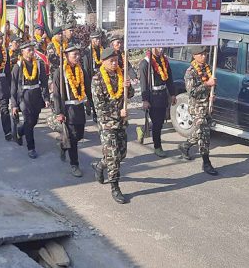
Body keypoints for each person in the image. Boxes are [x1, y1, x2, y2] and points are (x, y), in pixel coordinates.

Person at [91, 47, 134, 204]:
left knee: (121, 154)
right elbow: (100, 108)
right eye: (111, 61)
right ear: (103, 62)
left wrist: (128, 87)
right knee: (114, 157)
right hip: (107, 124)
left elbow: (130, 95)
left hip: (121, 123)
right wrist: (118, 113)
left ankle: (100, 165)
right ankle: (115, 187)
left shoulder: (120, 74)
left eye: (116, 60)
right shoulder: (97, 80)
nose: (115, 63)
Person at [177, 46, 218, 175]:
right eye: (200, 54)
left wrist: (212, 93)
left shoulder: (207, 68)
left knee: (199, 132)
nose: (203, 56)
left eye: (205, 54)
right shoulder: (190, 72)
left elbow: (211, 84)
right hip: (197, 107)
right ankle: (206, 163)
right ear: (194, 56)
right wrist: (207, 84)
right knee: (204, 135)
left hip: (207, 105)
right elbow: (192, 92)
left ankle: (185, 146)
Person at [52, 45, 88, 176]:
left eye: (78, 54)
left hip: (79, 107)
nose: (77, 57)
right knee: (73, 138)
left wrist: (91, 106)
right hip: (68, 109)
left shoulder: (81, 70)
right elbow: (56, 94)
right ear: (66, 57)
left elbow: (87, 88)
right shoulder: (59, 73)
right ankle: (74, 164)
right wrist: (59, 112)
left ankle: (63, 145)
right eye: (74, 55)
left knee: (79, 135)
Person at [11, 41, 50, 159]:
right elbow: (13, 86)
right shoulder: (17, 66)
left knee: (34, 121)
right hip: (24, 97)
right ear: (22, 52)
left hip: (36, 95)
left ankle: (20, 131)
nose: (32, 52)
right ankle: (31, 148)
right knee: (28, 121)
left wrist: (46, 98)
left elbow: (44, 82)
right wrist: (14, 104)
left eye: (32, 49)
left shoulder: (38, 64)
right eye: (29, 50)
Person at [138, 47, 176, 157]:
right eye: (158, 47)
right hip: (152, 96)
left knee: (160, 121)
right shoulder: (145, 63)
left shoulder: (164, 61)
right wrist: (145, 100)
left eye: (162, 47)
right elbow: (143, 84)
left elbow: (169, 79)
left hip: (163, 95)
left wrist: (172, 94)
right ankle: (157, 146)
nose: (161, 50)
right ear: (152, 47)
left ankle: (142, 129)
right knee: (157, 123)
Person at [82, 31, 104, 122]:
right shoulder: (87, 52)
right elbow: (86, 68)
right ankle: (95, 113)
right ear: (92, 40)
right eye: (96, 39)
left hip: (102, 77)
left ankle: (100, 113)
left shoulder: (103, 49)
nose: (98, 41)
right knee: (93, 97)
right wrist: (88, 81)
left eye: (99, 39)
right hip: (92, 77)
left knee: (101, 97)